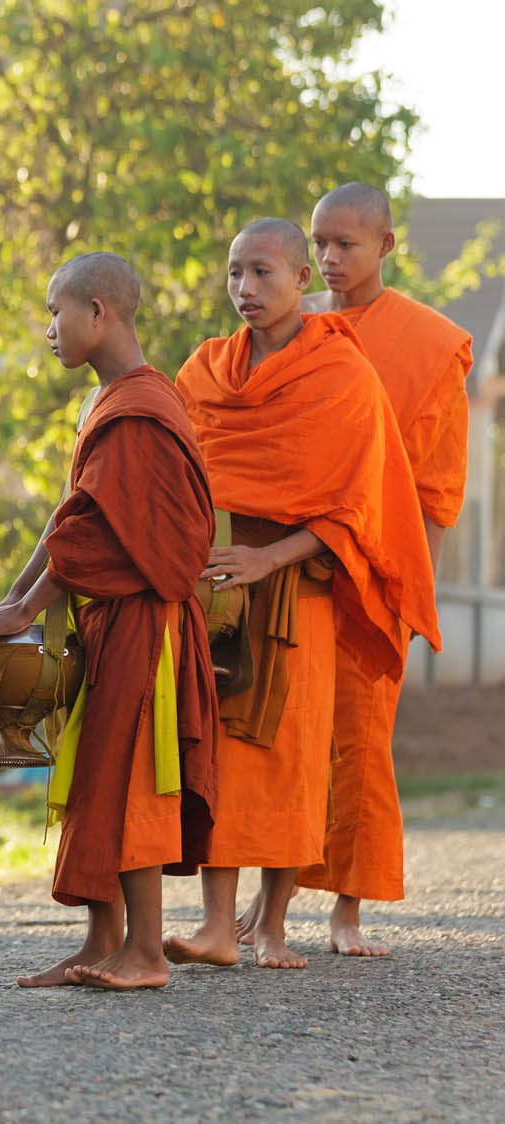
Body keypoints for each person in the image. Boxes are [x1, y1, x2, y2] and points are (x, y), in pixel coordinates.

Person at [164, 220, 438, 971]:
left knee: (291, 758)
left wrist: (270, 557)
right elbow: (180, 471)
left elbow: (357, 501)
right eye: (233, 274)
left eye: (261, 273)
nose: (245, 290)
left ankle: (275, 929)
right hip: (221, 588)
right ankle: (218, 927)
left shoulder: (340, 373)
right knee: (222, 754)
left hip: (301, 589)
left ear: (298, 281)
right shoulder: (206, 369)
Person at [0, 253, 217, 990]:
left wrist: (30, 606)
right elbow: (70, 517)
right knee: (93, 774)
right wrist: (17, 602)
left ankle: (145, 954)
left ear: (99, 312)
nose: (47, 329)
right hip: (104, 621)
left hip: (144, 623)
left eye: (55, 311)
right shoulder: (103, 403)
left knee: (129, 772)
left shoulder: (144, 407)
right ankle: (101, 939)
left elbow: (112, 536)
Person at [287, 183, 472, 956]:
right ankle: (263, 909)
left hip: (378, 571)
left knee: (362, 740)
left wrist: (410, 589)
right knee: (282, 732)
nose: (329, 258)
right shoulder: (287, 332)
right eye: (319, 244)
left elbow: (434, 488)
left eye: (346, 244)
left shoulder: (429, 345)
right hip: (290, 565)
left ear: (385, 247)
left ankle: (347, 912)